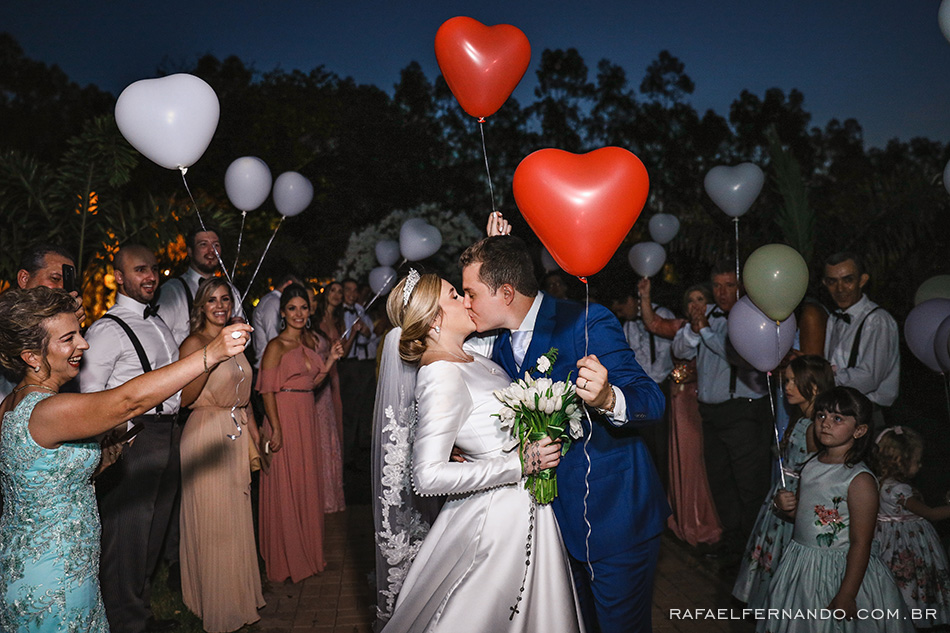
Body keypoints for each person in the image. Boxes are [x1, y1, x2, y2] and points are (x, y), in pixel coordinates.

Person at [0, 286, 250, 633]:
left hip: (42, 561)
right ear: (31, 356)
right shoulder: (47, 410)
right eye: (68, 339)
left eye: (80, 334)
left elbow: (39, 476)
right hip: (53, 577)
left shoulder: (11, 404)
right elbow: (128, 401)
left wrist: (103, 456)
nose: (83, 345)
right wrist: (211, 353)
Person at [460, 234, 668, 633]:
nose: (466, 303)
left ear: (506, 293)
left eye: (471, 293)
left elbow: (651, 400)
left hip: (615, 518)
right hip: (554, 529)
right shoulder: (499, 346)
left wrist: (609, 397)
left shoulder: (584, 321)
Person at [378, 270, 582, 633]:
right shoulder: (441, 374)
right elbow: (427, 476)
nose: (467, 300)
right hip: (497, 521)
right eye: (455, 295)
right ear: (433, 319)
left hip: (526, 507)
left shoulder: (472, 357)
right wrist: (520, 463)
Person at [79, 244, 184, 633]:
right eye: (141, 270)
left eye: (154, 269)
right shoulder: (108, 329)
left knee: (153, 532)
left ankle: (140, 613)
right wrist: (118, 438)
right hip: (136, 438)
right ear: (119, 277)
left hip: (168, 433)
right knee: (127, 535)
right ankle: (125, 623)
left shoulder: (157, 323)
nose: (151, 276)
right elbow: (90, 395)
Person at [759, 387, 913, 633]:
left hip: (838, 572)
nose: (825, 424)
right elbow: (806, 516)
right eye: (821, 415)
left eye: (837, 418)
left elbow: (861, 542)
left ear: (859, 430)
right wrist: (785, 506)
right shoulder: (811, 464)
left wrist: (847, 594)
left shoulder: (858, 479)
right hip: (803, 566)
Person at [178, 278, 265, 632]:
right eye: (211, 299)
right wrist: (210, 358)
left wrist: (256, 435)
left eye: (225, 299)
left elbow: (244, 395)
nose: (219, 305)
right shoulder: (195, 344)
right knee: (214, 526)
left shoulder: (236, 339)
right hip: (206, 434)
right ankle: (218, 607)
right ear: (201, 305)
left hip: (236, 433)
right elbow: (184, 398)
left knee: (235, 523)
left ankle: (240, 600)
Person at [672, 260, 771, 554]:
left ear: (741, 286)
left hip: (743, 411)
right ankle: (733, 544)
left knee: (749, 486)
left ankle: (754, 551)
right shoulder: (709, 315)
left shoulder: (753, 317)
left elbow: (741, 355)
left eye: (729, 285)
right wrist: (695, 328)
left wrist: (704, 332)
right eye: (717, 285)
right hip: (710, 413)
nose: (723, 292)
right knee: (720, 481)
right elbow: (679, 351)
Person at [256, 284, 344, 582]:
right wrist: (276, 427)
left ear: (309, 312)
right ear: (282, 312)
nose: (298, 313)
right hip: (284, 416)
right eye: (292, 308)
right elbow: (267, 390)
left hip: (306, 418)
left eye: (303, 308)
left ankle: (307, 552)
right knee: (285, 485)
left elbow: (313, 381)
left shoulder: (308, 342)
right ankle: (285, 558)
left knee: (305, 483)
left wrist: (331, 358)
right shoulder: (275, 346)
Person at [733, 355, 834, 609]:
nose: (786, 387)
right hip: (779, 499)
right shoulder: (800, 419)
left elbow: (814, 475)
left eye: (792, 381)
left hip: (793, 503)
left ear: (813, 387)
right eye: (785, 380)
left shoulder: (814, 427)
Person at [642, 282, 723, 547]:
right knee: (684, 459)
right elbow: (653, 323)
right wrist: (645, 295)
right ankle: (687, 519)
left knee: (703, 460)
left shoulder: (722, 327)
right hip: (681, 401)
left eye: (701, 299)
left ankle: (708, 523)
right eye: (690, 300)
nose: (695, 305)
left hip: (705, 399)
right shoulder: (681, 328)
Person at [871, 426, 950, 628]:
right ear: (901, 461)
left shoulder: (879, 483)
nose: (920, 465)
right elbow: (930, 513)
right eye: (916, 460)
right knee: (911, 585)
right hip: (906, 546)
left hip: (887, 543)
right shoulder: (899, 489)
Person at [822, 252, 899, 429]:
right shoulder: (834, 319)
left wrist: (823, 378)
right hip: (838, 412)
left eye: (847, 280)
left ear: (862, 280)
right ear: (825, 283)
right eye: (832, 281)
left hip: (867, 414)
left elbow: (869, 378)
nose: (840, 289)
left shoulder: (877, 320)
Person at [157, 224, 246, 346]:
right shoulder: (173, 290)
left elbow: (245, 341)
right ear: (190, 251)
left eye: (216, 245)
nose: (211, 250)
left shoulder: (231, 290)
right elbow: (158, 336)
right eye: (203, 244)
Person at [339, 277, 377, 471]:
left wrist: (364, 329)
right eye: (348, 290)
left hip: (360, 364)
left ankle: (354, 454)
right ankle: (345, 456)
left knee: (360, 409)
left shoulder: (359, 310)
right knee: (347, 412)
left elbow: (371, 335)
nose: (352, 294)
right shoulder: (339, 313)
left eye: (355, 290)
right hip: (345, 365)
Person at [251, 274, 301, 369]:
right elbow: (273, 336)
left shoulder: (273, 300)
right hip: (270, 366)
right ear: (288, 284)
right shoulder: (273, 302)